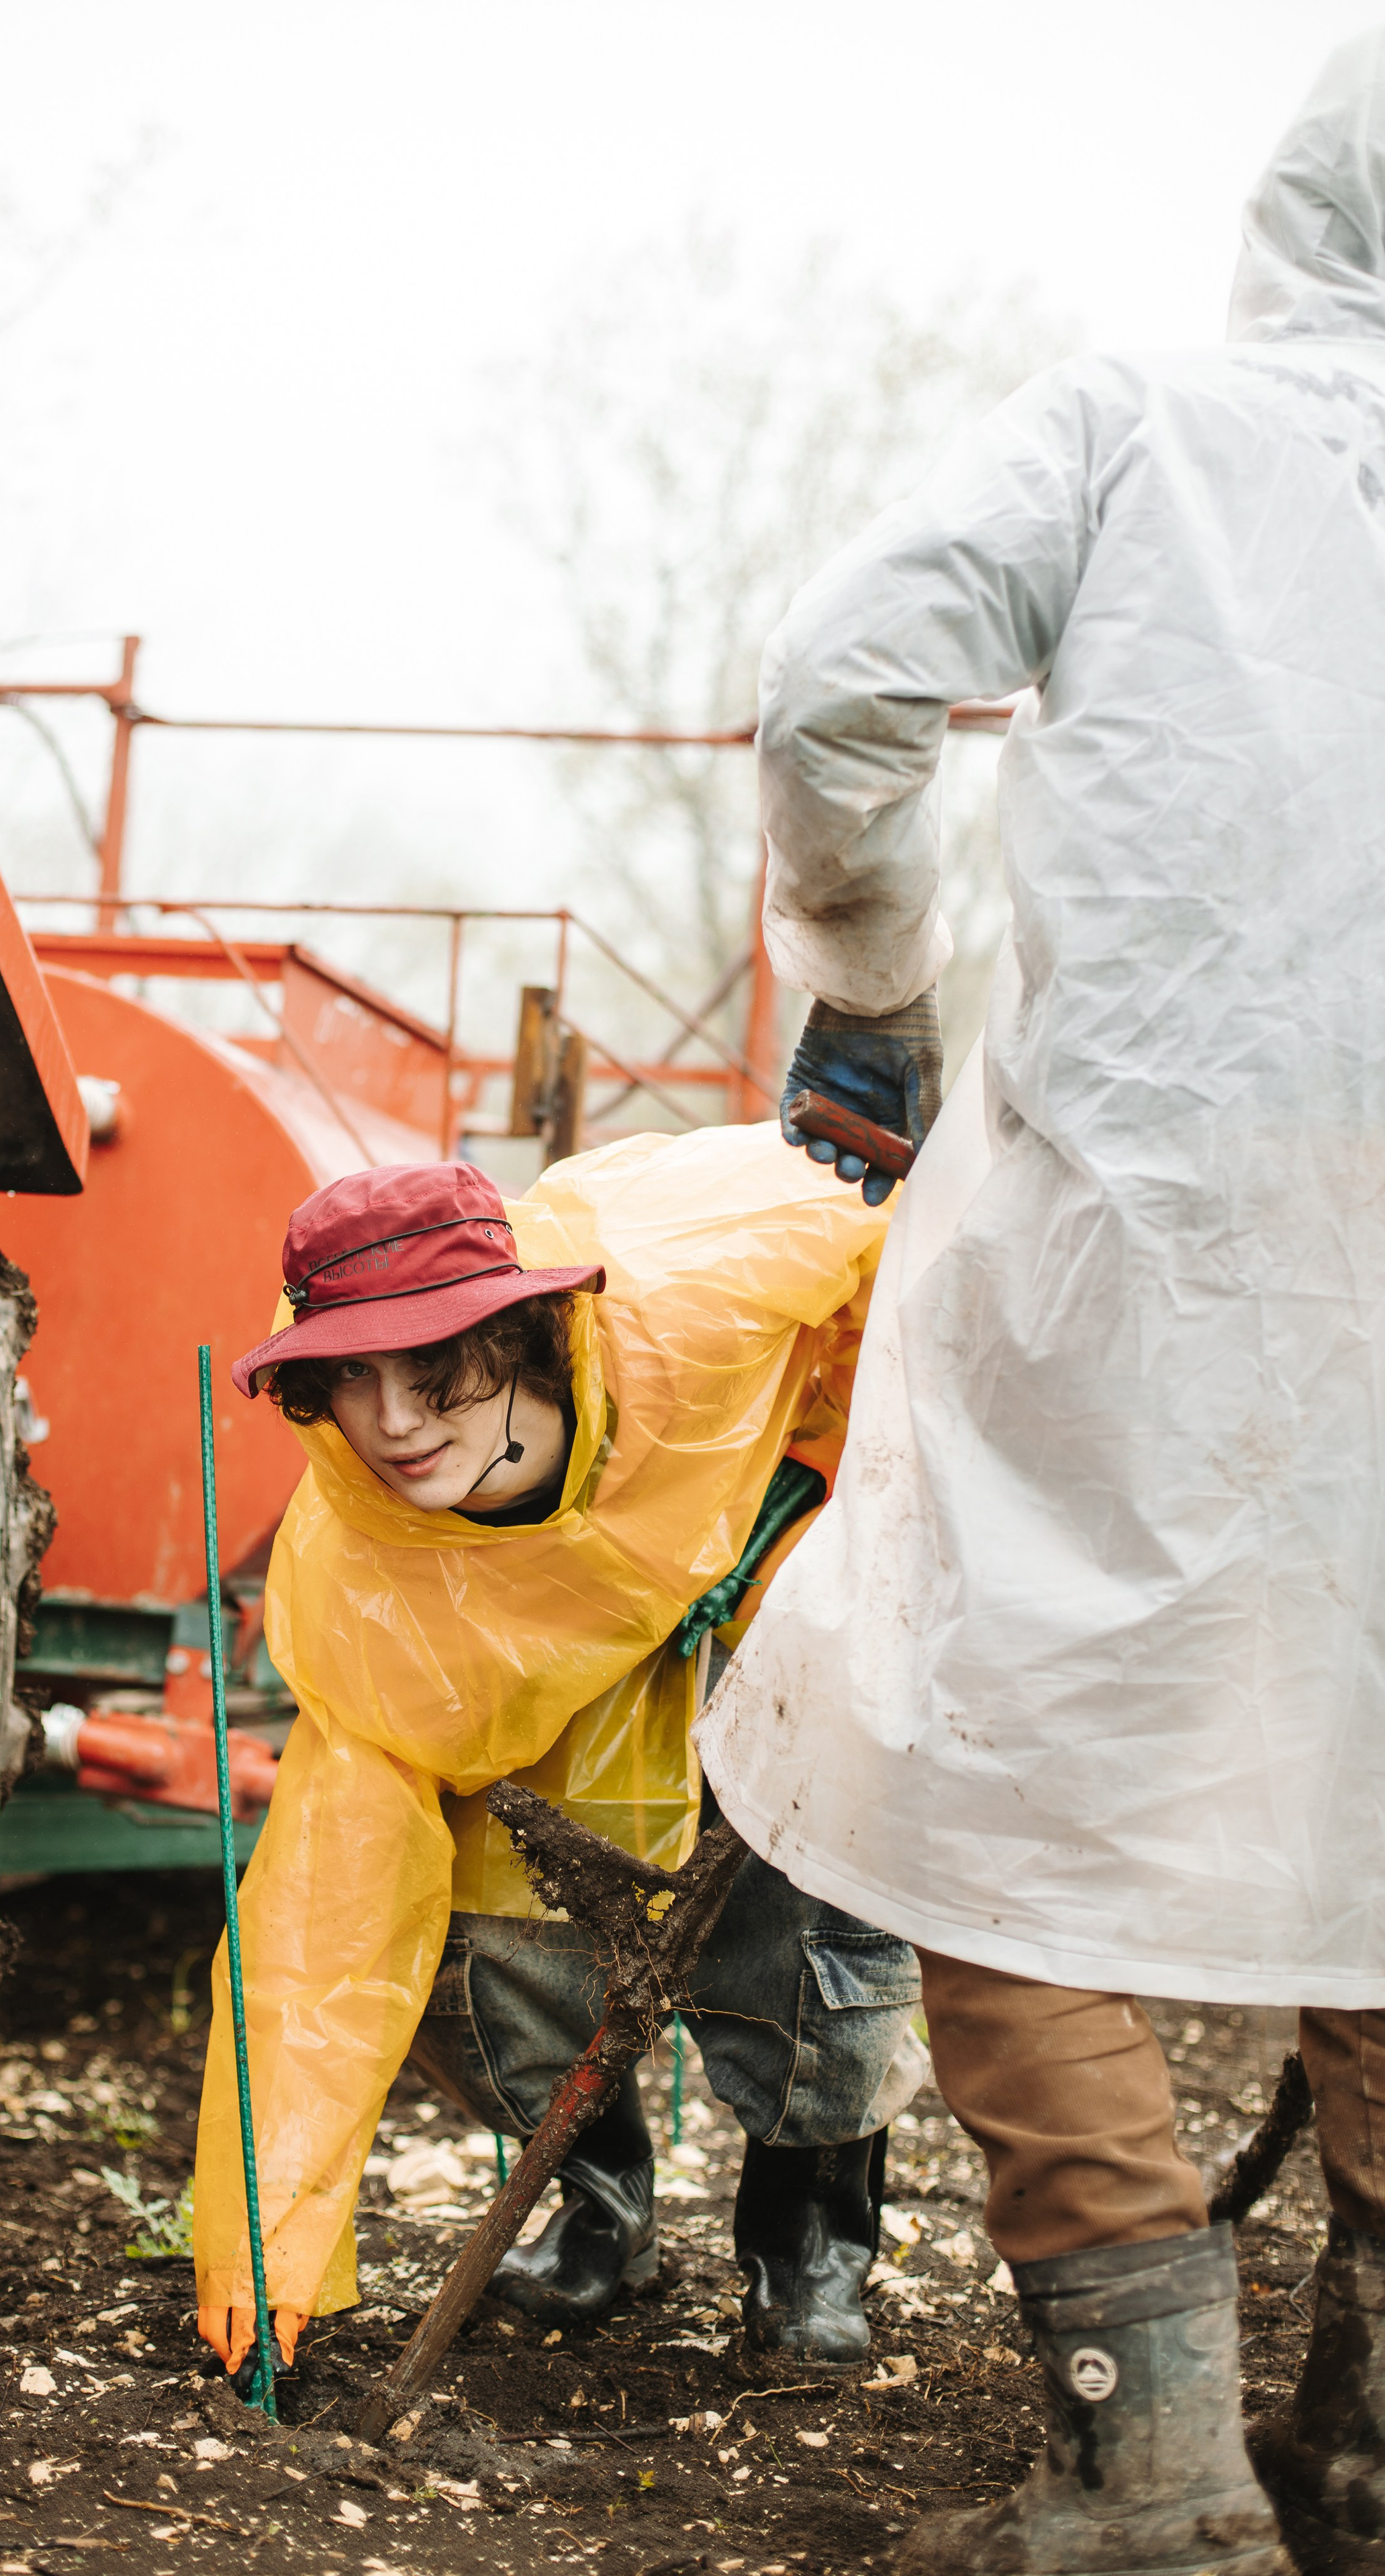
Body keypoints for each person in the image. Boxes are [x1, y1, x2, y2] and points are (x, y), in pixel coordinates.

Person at [697, 31, 1385, 2576]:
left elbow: (842, 680)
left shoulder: (1141, 430)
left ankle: (1150, 2463)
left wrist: (873, 977)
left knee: (970, 1745)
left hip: (1148, 1226)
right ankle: (1372, 2429)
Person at [191, 1131, 926, 2388]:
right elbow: (323, 1928)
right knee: (478, 1944)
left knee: (811, 1914)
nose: (395, 1420)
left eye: (433, 1362)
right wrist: (266, 2262)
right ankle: (602, 2201)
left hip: (760, 1614)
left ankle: (810, 2238)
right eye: (349, 1376)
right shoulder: (365, 1576)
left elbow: (909, 1249)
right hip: (558, 1704)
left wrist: (816, 1480)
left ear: (526, 1330)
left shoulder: (701, 1295)